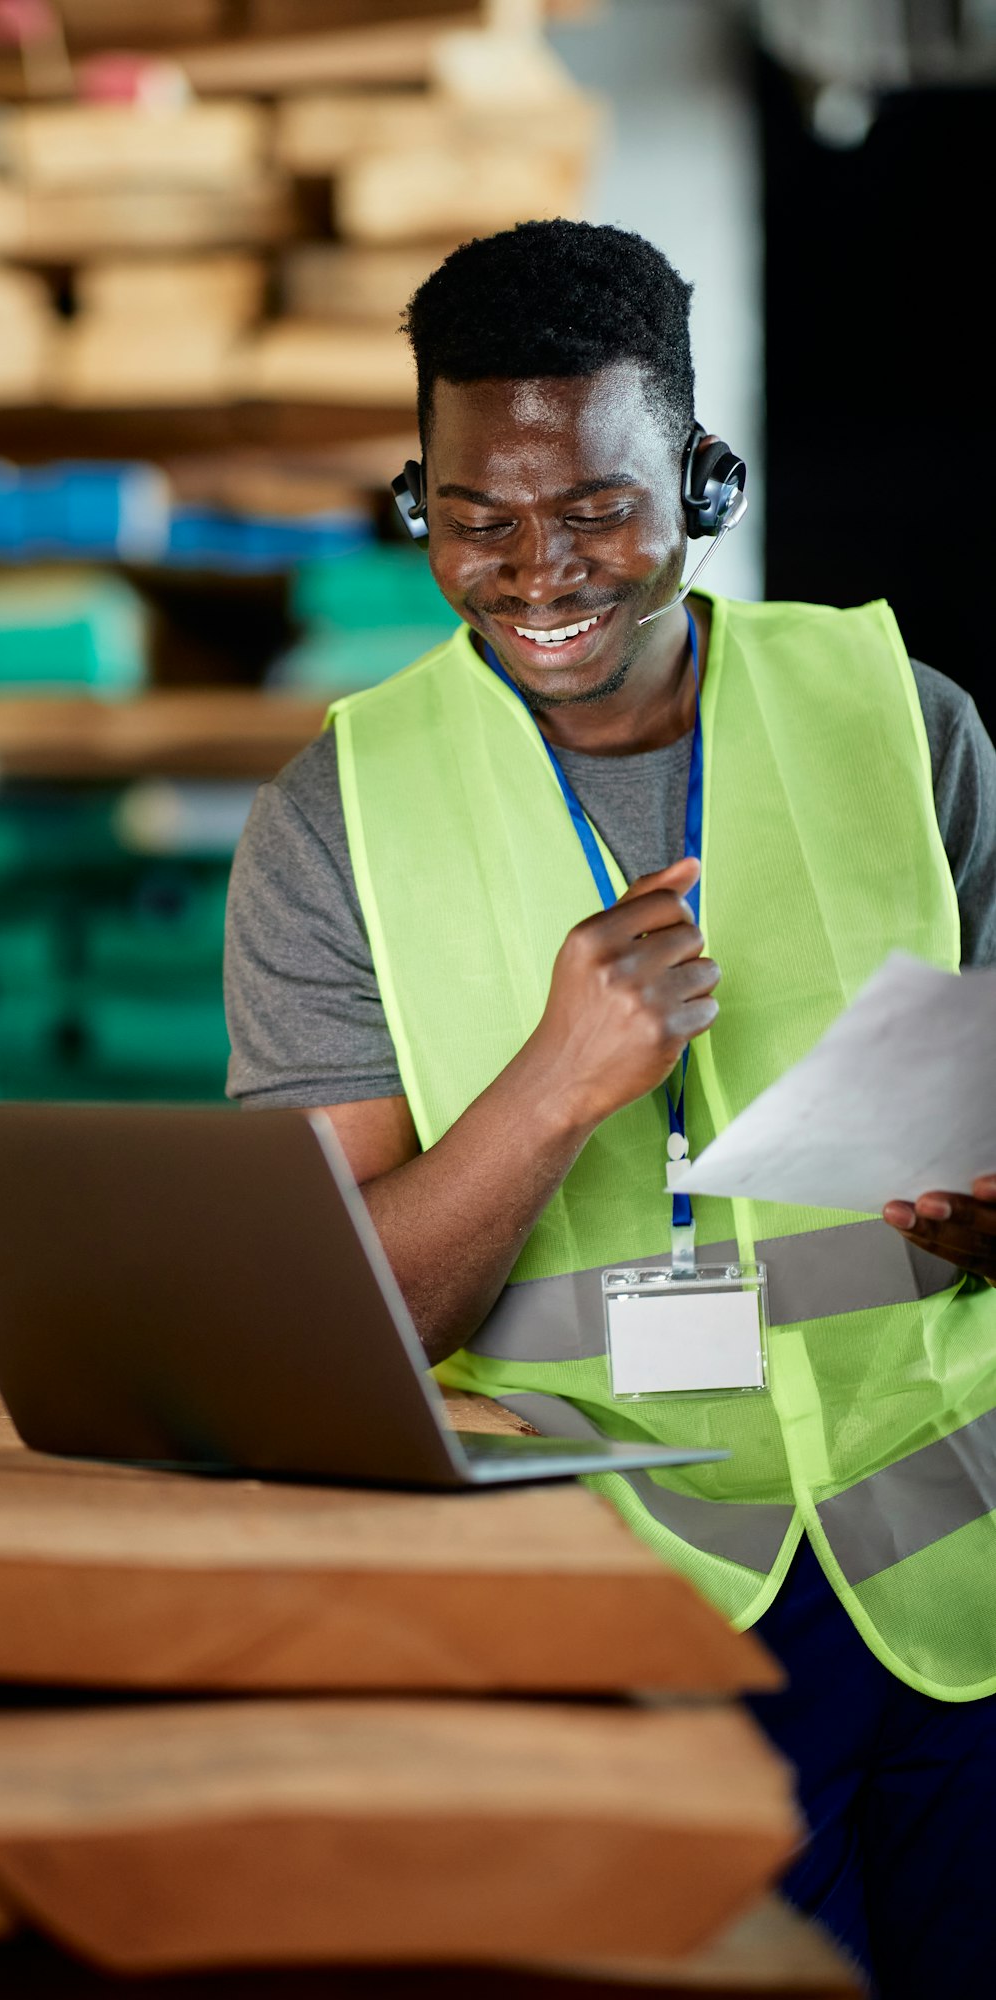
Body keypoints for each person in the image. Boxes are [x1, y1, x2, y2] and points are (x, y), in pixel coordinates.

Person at [223, 219, 996, 1995]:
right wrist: (553, 1091)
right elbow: (340, 1338)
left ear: (701, 480)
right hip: (630, 1605)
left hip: (953, 1586)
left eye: (592, 509)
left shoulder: (908, 721)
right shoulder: (332, 821)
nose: (532, 569)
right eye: (474, 516)